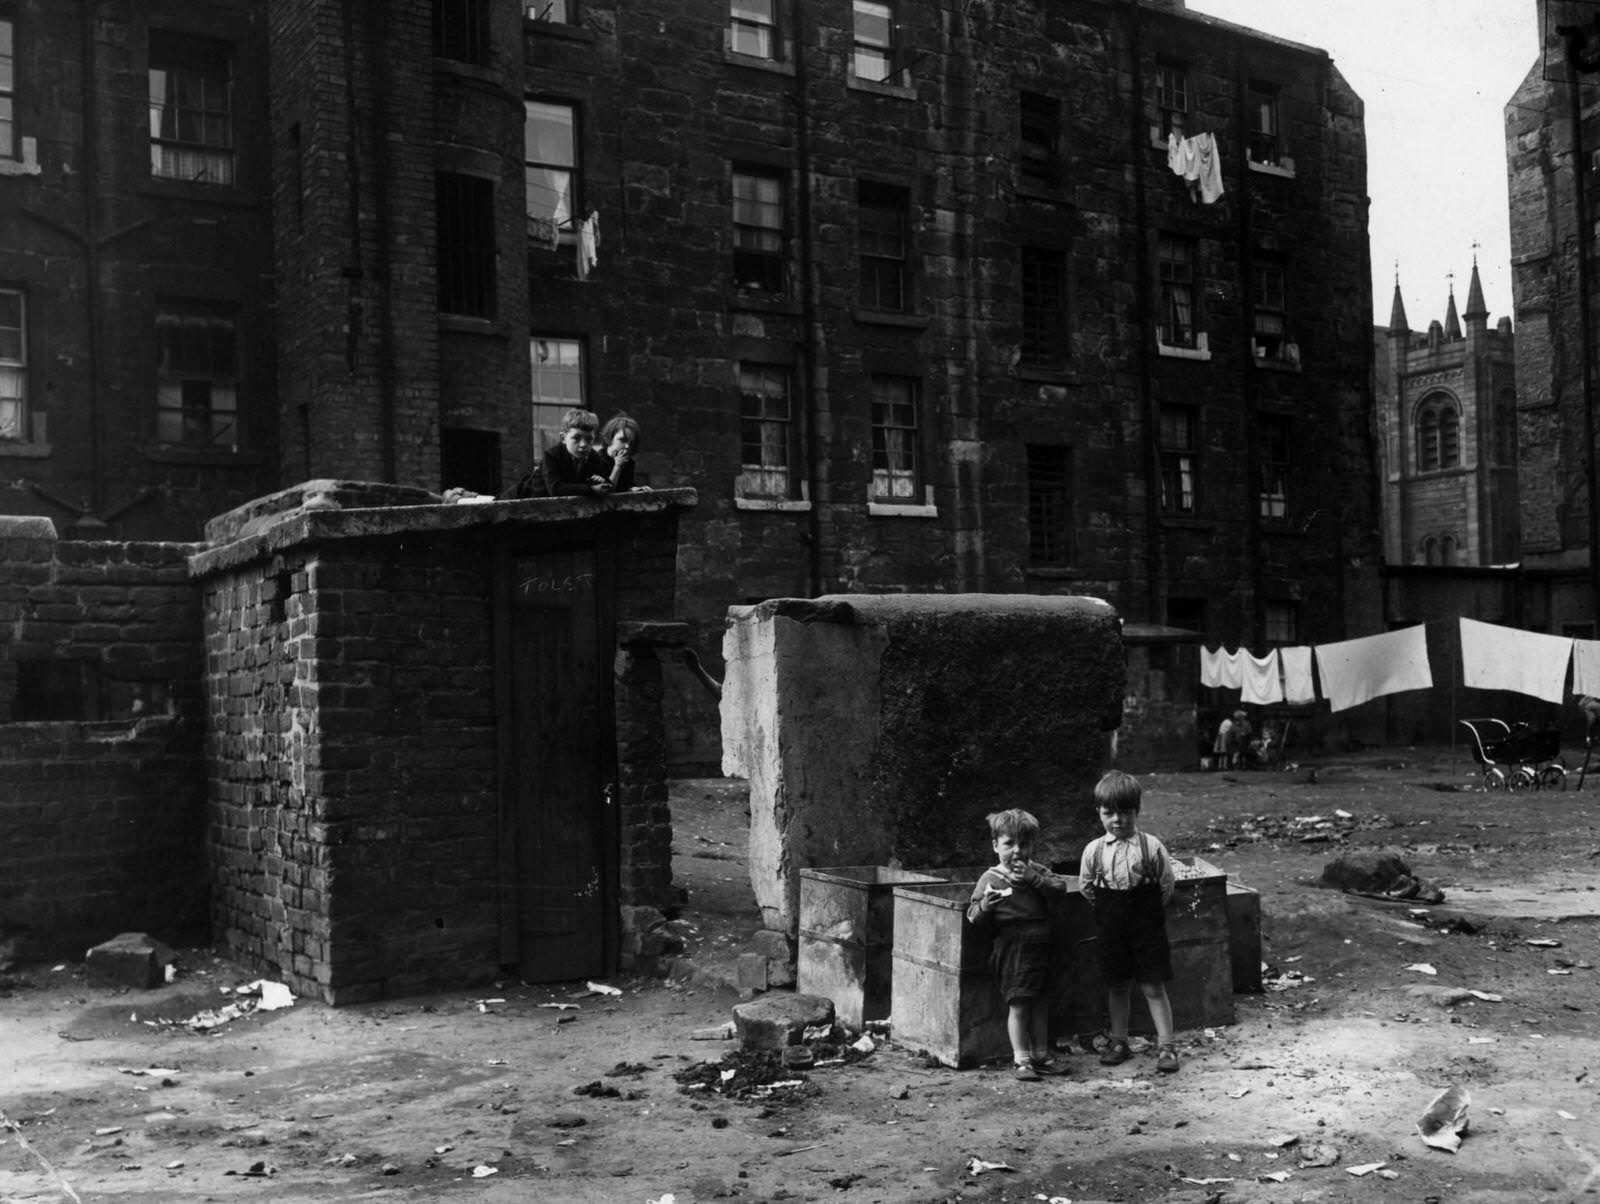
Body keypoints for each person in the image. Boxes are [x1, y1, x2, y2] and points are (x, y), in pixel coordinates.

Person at [1079, 770, 1180, 1074]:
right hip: (1112, 928)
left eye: (1125, 812)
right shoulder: (1094, 851)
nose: (1117, 820)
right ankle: (1119, 1041)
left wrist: (1144, 911)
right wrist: (1112, 909)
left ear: (1137, 811)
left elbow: (1165, 885)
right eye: (1109, 813)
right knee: (1117, 986)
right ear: (1099, 812)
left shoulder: (1151, 847)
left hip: (1146, 927)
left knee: (1153, 985)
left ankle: (1167, 1047)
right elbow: (1087, 887)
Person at [965, 808, 1073, 1081]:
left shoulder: (1036, 871)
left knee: (1040, 1002)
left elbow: (1059, 889)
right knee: (1020, 1002)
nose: (1017, 851)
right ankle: (1021, 1059)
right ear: (995, 846)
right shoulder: (991, 878)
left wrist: (1033, 879)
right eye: (1009, 844)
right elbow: (973, 915)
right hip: (1013, 946)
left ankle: (1040, 1054)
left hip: (1042, 943)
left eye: (1024, 844)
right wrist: (986, 906)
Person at [542, 407, 614, 497]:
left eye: (589, 439)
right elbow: (556, 489)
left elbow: (609, 485)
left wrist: (602, 482)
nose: (583, 444)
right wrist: (590, 489)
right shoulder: (551, 456)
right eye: (576, 438)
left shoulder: (594, 456)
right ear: (563, 438)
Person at [598, 412, 640, 493]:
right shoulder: (597, 460)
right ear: (609, 438)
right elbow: (606, 491)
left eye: (631, 442)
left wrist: (634, 489)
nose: (627, 446)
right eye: (622, 440)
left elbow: (625, 487)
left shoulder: (629, 462)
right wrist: (617, 467)